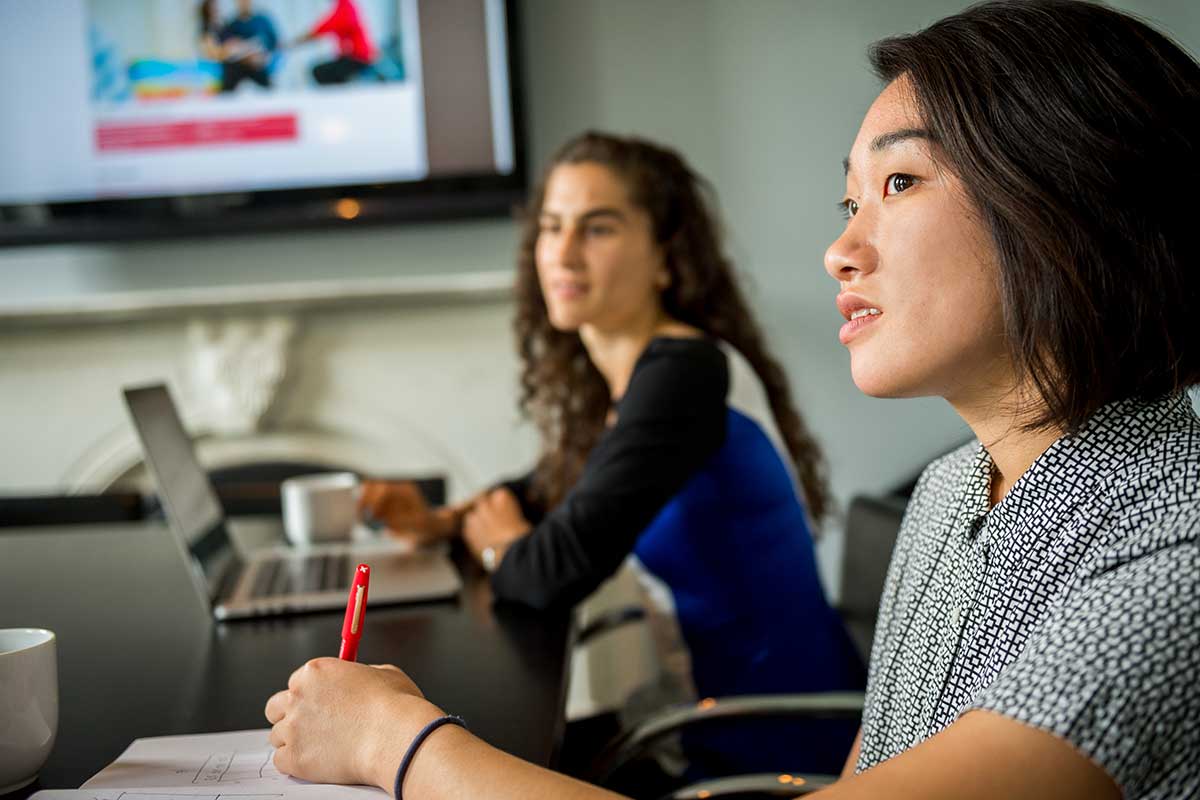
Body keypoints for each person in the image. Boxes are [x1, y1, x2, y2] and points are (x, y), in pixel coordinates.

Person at [265, 2, 1199, 798]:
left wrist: (396, 743)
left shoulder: (1175, 568)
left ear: (1074, 206)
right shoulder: (956, 492)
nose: (841, 250)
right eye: (849, 204)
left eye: (901, 182)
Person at [363, 131, 863, 778]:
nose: (563, 254)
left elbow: (549, 573)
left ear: (666, 257)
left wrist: (498, 547)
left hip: (766, 744)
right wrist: (444, 521)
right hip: (704, 718)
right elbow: (544, 491)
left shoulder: (682, 374)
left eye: (597, 229)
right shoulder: (643, 380)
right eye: (551, 227)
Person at [292, 0, 376, 85]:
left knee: (319, 72)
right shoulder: (346, 6)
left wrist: (299, 40)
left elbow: (324, 27)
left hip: (357, 59)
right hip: (355, 58)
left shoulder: (344, 9)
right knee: (325, 71)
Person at [215, 0, 279, 92]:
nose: (244, 3)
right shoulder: (233, 24)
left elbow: (274, 43)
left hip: (259, 63)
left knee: (268, 88)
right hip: (239, 64)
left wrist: (262, 57)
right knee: (228, 76)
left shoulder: (262, 21)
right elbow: (227, 47)